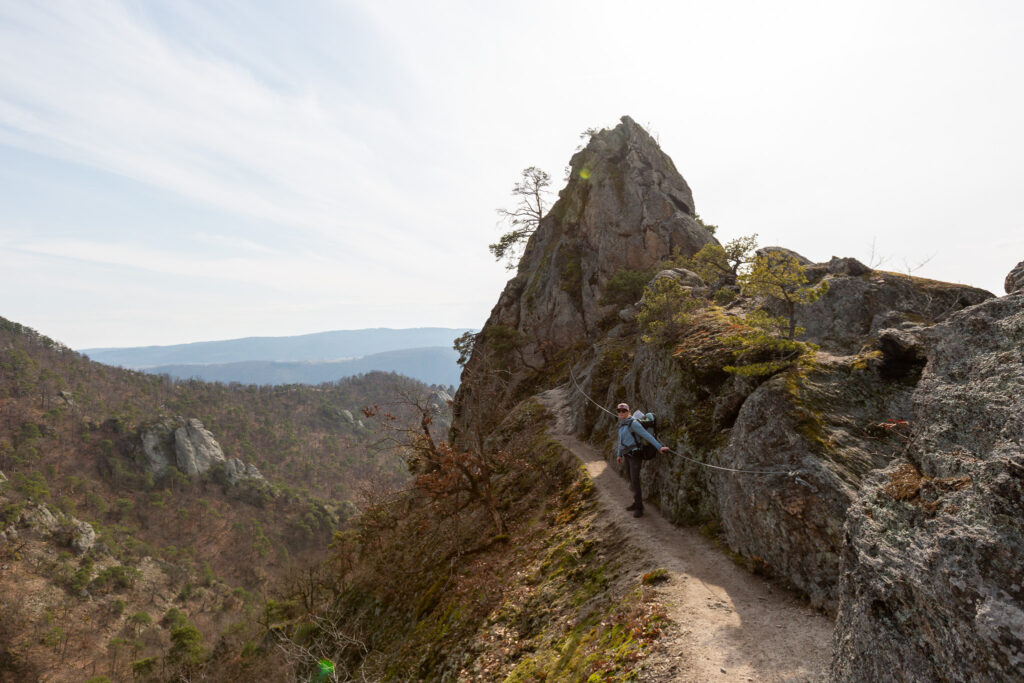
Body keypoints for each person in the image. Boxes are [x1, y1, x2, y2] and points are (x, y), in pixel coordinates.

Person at [615, 402, 669, 518]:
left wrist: (659, 447)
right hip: (627, 455)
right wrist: (619, 455)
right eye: (619, 411)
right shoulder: (621, 425)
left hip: (635, 455)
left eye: (624, 411)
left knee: (635, 480)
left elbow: (647, 436)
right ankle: (636, 503)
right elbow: (620, 441)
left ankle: (639, 508)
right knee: (631, 479)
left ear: (628, 412)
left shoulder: (633, 424)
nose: (621, 413)